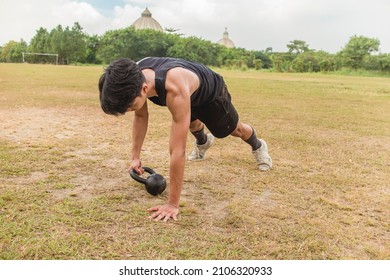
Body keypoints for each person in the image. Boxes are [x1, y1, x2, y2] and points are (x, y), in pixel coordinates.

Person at [99, 57, 272, 222]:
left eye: (130, 106)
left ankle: (258, 145)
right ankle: (203, 143)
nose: (130, 110)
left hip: (211, 95)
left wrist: (172, 204)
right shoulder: (134, 75)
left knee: (234, 130)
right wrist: (135, 157)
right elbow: (141, 116)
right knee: (193, 124)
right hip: (188, 92)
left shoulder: (174, 89)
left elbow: (177, 151)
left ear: (144, 89)